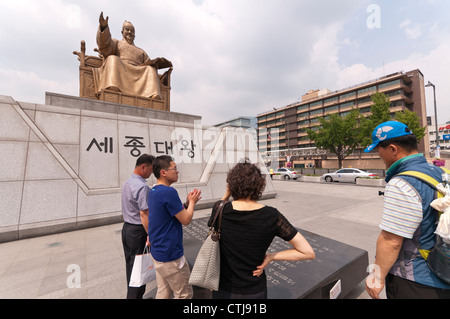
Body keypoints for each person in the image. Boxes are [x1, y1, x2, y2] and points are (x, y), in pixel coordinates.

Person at [364, 121, 450, 299]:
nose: (380, 156)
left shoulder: (402, 182)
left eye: (379, 151)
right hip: (443, 268)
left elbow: (391, 240)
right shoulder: (439, 171)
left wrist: (377, 278)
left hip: (415, 280)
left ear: (393, 149)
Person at [208, 160, 315, 299]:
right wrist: (271, 256)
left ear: (231, 185)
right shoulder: (272, 216)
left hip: (224, 289)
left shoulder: (220, 210)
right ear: (259, 186)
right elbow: (308, 252)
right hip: (254, 291)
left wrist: (227, 193)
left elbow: (219, 208)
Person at [148, 155, 202, 299]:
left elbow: (168, 214)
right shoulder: (168, 192)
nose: (177, 172)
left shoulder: (153, 191)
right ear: (163, 172)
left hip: (158, 252)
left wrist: (185, 205)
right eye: (175, 169)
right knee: (184, 294)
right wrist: (192, 202)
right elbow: (186, 219)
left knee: (163, 292)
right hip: (170, 255)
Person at [94, 12, 172, 99]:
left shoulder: (141, 51)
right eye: (127, 30)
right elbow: (104, 45)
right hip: (122, 69)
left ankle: (153, 95)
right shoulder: (117, 43)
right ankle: (113, 87)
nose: (129, 32)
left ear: (134, 35)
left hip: (138, 73)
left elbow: (149, 64)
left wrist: (157, 64)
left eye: (132, 31)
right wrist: (104, 27)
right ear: (122, 32)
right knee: (113, 59)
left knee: (151, 69)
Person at [121, 154, 155, 299]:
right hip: (138, 231)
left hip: (127, 229)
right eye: (151, 169)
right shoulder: (142, 187)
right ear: (143, 167)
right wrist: (150, 234)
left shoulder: (128, 182)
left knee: (131, 267)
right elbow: (144, 214)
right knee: (139, 269)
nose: (152, 173)